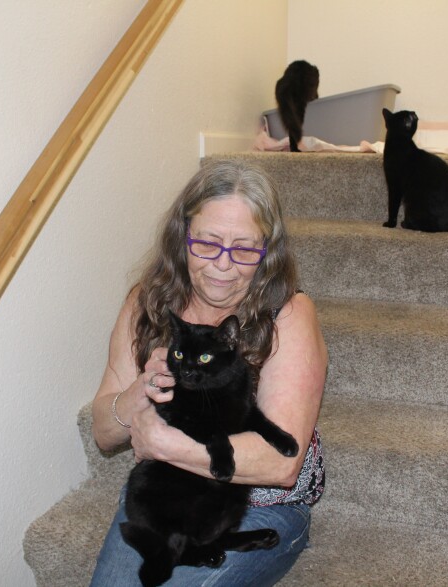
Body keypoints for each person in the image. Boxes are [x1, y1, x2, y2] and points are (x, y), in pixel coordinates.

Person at [89, 160, 327, 586]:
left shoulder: (289, 314)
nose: (223, 265)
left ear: (267, 250)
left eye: (244, 248)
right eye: (208, 243)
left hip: (258, 505)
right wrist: (138, 395)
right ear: (183, 237)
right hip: (168, 497)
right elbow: (105, 432)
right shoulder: (146, 303)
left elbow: (281, 464)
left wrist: (164, 443)